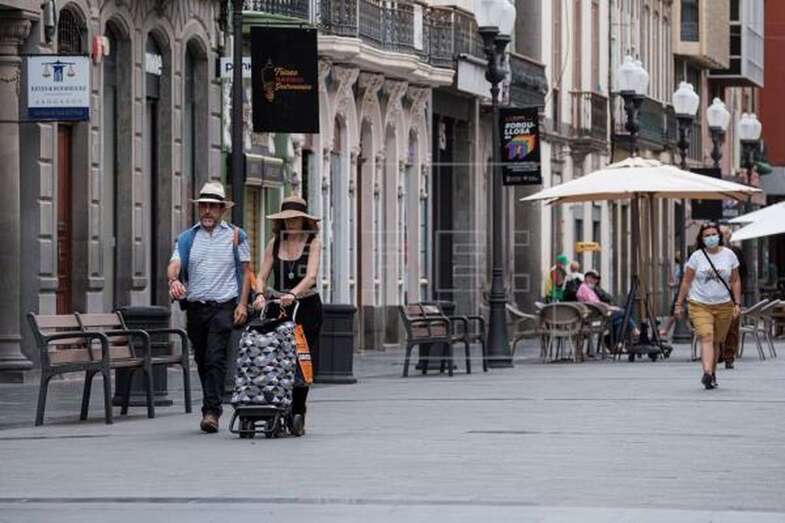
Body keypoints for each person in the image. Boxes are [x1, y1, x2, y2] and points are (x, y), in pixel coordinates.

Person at [167, 182, 252, 433]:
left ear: (222, 210)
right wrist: (173, 280)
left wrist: (243, 304)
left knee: (216, 357)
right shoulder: (187, 238)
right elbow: (174, 263)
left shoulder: (237, 235)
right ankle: (211, 405)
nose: (207, 211)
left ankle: (211, 412)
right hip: (196, 308)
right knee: (203, 359)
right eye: (203, 206)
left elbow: (247, 272)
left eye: (212, 207)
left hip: (224, 306)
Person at [253, 196, 322, 436]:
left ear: (304, 220)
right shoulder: (274, 243)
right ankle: (276, 403)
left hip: (306, 306)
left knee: (301, 358)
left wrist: (293, 293)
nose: (291, 223)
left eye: (295, 219)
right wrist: (259, 293)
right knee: (277, 355)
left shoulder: (313, 242)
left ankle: (297, 409)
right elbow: (261, 275)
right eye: (287, 219)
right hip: (280, 307)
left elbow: (311, 276)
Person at [674, 223, 741, 389]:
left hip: (724, 304)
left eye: (713, 234)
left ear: (719, 236)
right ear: (702, 239)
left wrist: (737, 303)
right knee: (706, 336)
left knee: (717, 341)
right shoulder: (696, 257)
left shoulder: (729, 255)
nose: (711, 238)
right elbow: (686, 281)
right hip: (699, 303)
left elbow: (735, 280)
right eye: (707, 235)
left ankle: (712, 371)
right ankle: (707, 372)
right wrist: (679, 303)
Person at [718, 227, 747, 369]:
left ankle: (729, 356)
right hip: (714, 296)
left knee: (732, 328)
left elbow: (743, 273)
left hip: (731, 296)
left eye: (725, 235)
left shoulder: (735, 252)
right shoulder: (709, 253)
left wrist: (739, 296)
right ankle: (717, 353)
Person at [659, 255, 685, 339]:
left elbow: (684, 281)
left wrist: (673, 284)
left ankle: (666, 330)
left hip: (682, 293)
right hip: (679, 292)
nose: (677, 254)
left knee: (675, 311)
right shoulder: (677, 267)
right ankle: (666, 330)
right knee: (675, 312)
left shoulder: (684, 267)